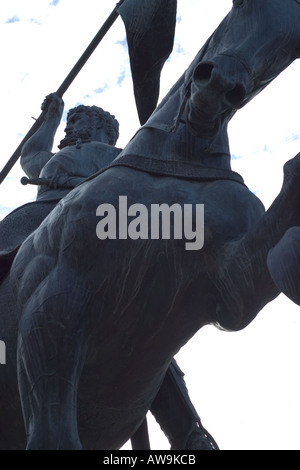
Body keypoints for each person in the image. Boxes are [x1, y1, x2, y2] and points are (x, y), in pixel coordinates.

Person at [2, 93, 218, 450]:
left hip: (98, 231)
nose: (70, 128)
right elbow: (29, 156)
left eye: (78, 120)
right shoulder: (54, 158)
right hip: (36, 227)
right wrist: (50, 117)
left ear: (102, 127)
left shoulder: (126, 160)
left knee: (145, 321)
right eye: (69, 123)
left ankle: (186, 431)